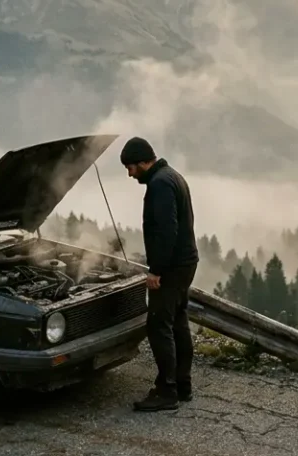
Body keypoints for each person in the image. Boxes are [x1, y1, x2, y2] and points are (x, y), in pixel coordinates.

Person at [120, 136, 199, 412]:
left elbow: (167, 231)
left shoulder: (160, 184)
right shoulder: (172, 176)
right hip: (185, 263)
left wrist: (156, 271)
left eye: (131, 167)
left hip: (172, 267)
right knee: (178, 322)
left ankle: (167, 391)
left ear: (143, 161)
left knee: (158, 325)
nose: (130, 174)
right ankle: (183, 385)